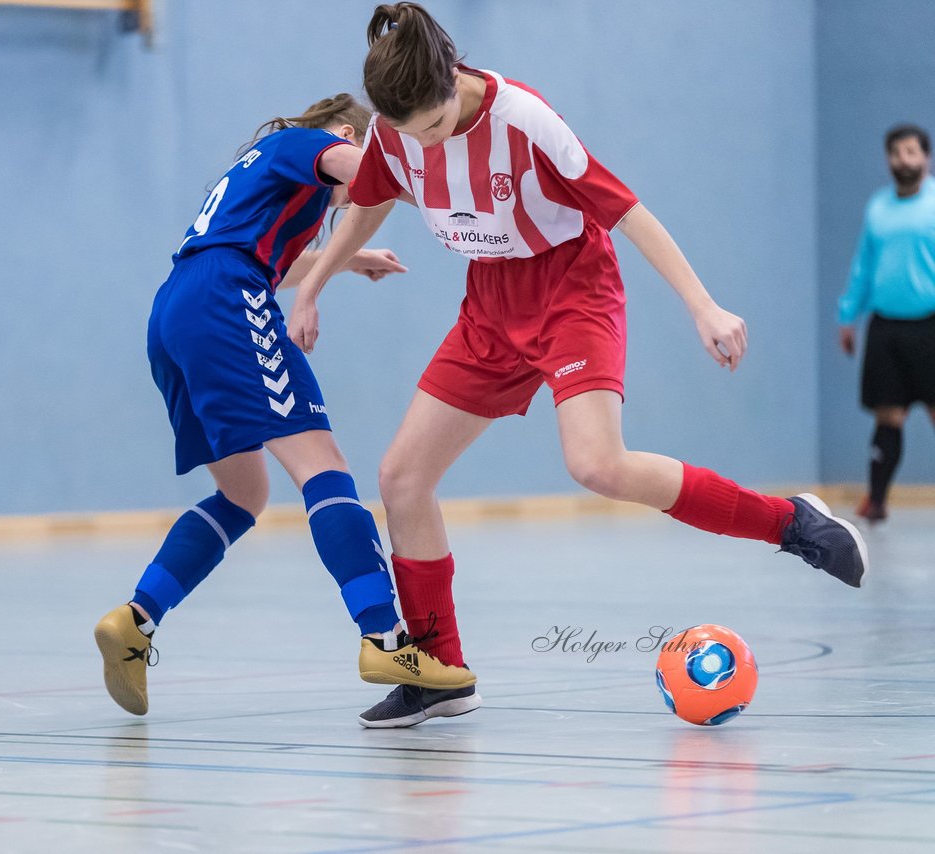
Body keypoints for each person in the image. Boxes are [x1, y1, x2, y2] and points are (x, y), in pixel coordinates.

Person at [289, 3, 870, 729]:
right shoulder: (397, 133)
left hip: (570, 287)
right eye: (410, 135)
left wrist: (704, 306)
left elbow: (628, 212)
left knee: (598, 465)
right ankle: (440, 674)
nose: (425, 146)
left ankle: (790, 523)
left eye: (435, 127)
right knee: (401, 478)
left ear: (454, 80)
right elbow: (370, 203)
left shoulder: (526, 122)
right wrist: (312, 287)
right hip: (490, 301)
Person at [94, 94, 476, 717]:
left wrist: (349, 261)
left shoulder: (262, 169)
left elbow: (273, 260)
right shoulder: (307, 144)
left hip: (176, 310)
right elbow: (375, 172)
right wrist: (459, 192)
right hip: (225, 300)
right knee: (323, 467)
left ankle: (135, 620)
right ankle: (384, 638)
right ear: (348, 130)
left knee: (244, 494)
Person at [838, 123, 935, 523]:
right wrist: (848, 315)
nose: (903, 160)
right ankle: (876, 500)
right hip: (887, 328)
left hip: (930, 325)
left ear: (925, 157)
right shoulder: (878, 207)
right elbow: (864, 265)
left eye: (911, 152)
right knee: (888, 416)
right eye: (896, 153)